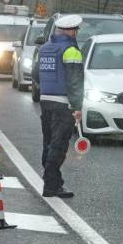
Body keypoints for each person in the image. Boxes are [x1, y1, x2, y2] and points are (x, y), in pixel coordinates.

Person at [35, 14, 85, 198]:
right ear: (72, 31)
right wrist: (77, 107)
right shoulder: (71, 50)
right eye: (76, 30)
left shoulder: (44, 48)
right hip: (63, 104)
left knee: (48, 143)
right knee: (59, 145)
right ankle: (50, 185)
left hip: (45, 101)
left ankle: (55, 183)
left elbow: (36, 74)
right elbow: (75, 81)